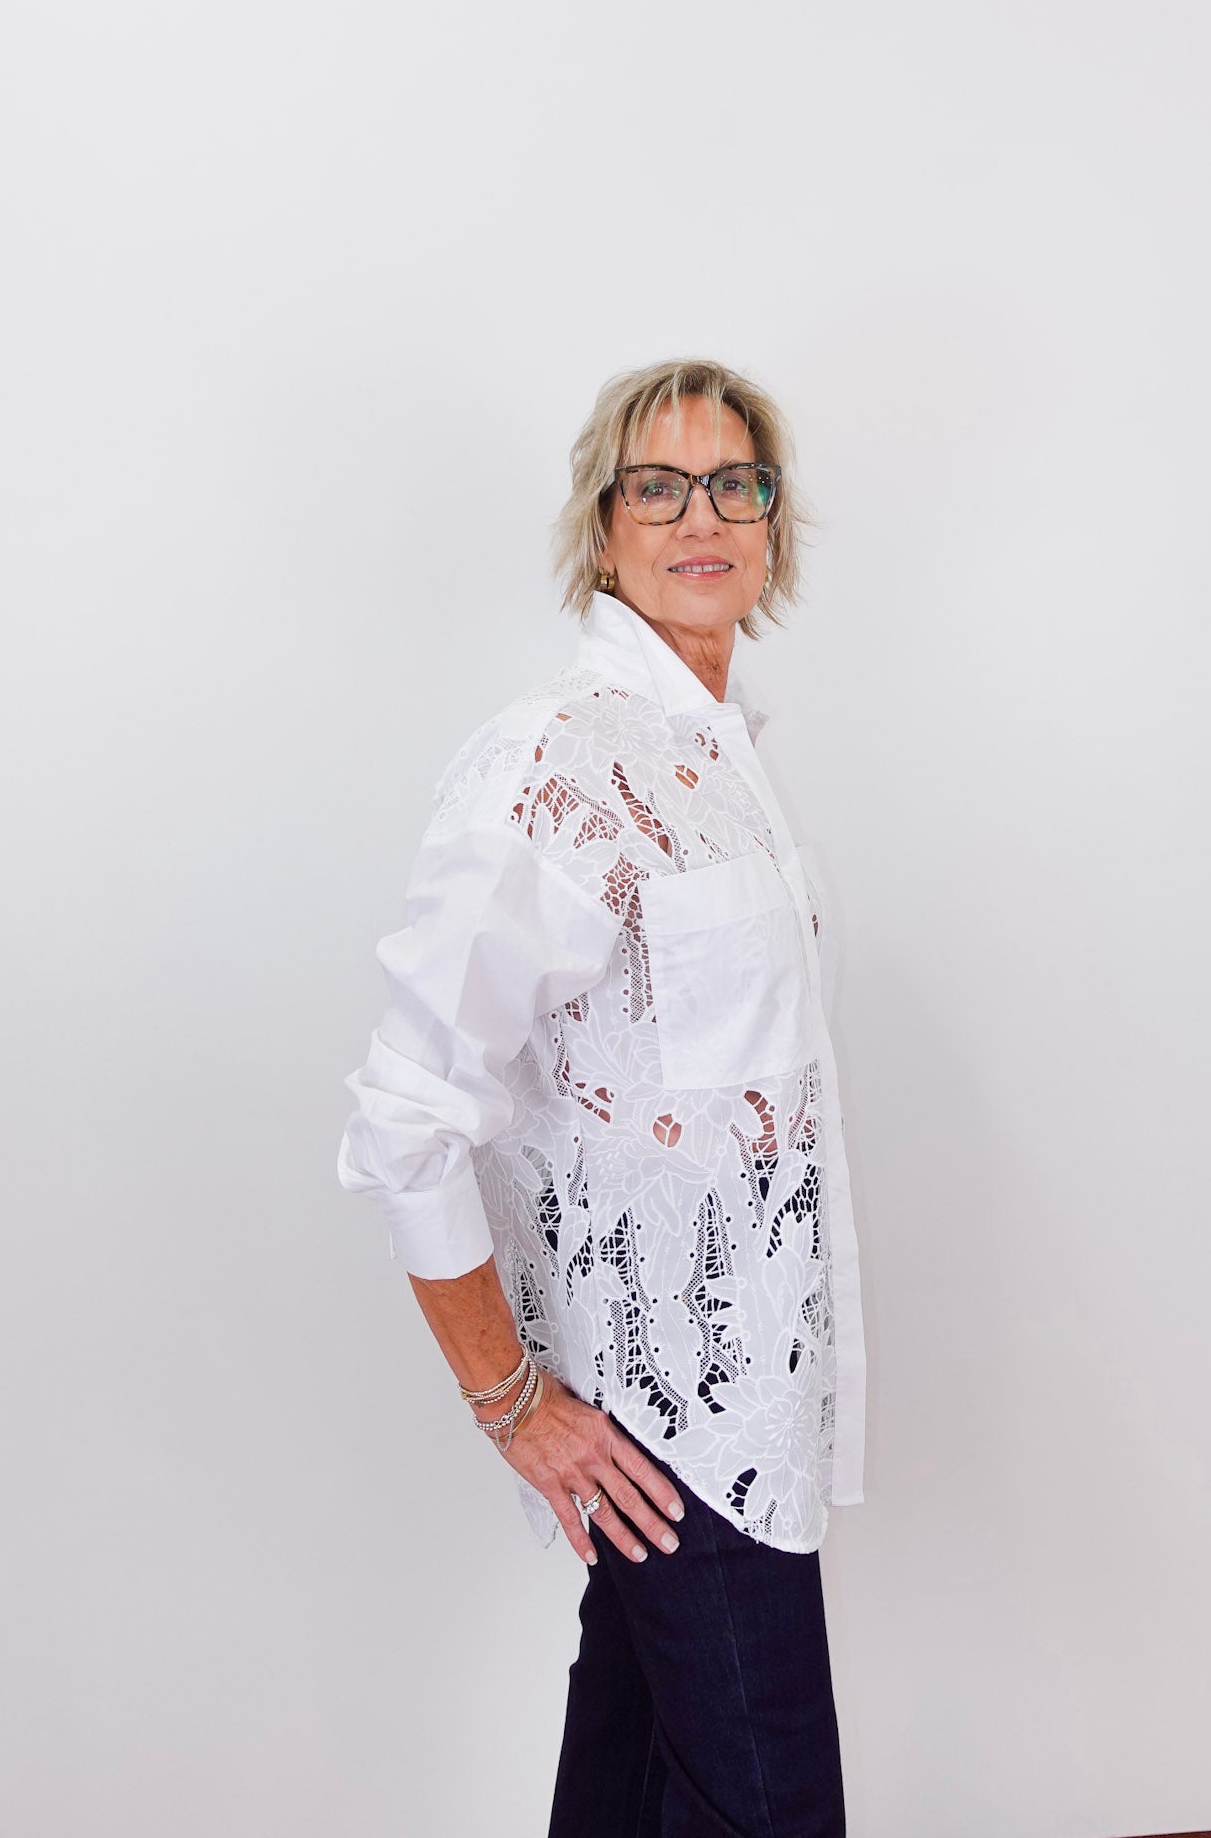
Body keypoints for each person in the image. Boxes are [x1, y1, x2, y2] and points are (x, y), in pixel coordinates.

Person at [338, 357, 868, 1836]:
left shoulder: (724, 757)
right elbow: (408, 1115)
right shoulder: (553, 765)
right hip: (671, 1436)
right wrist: (512, 1405)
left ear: (771, 524)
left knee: (633, 1784)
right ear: (605, 521)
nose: (702, 515)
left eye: (735, 483)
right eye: (659, 484)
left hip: (757, 1405)